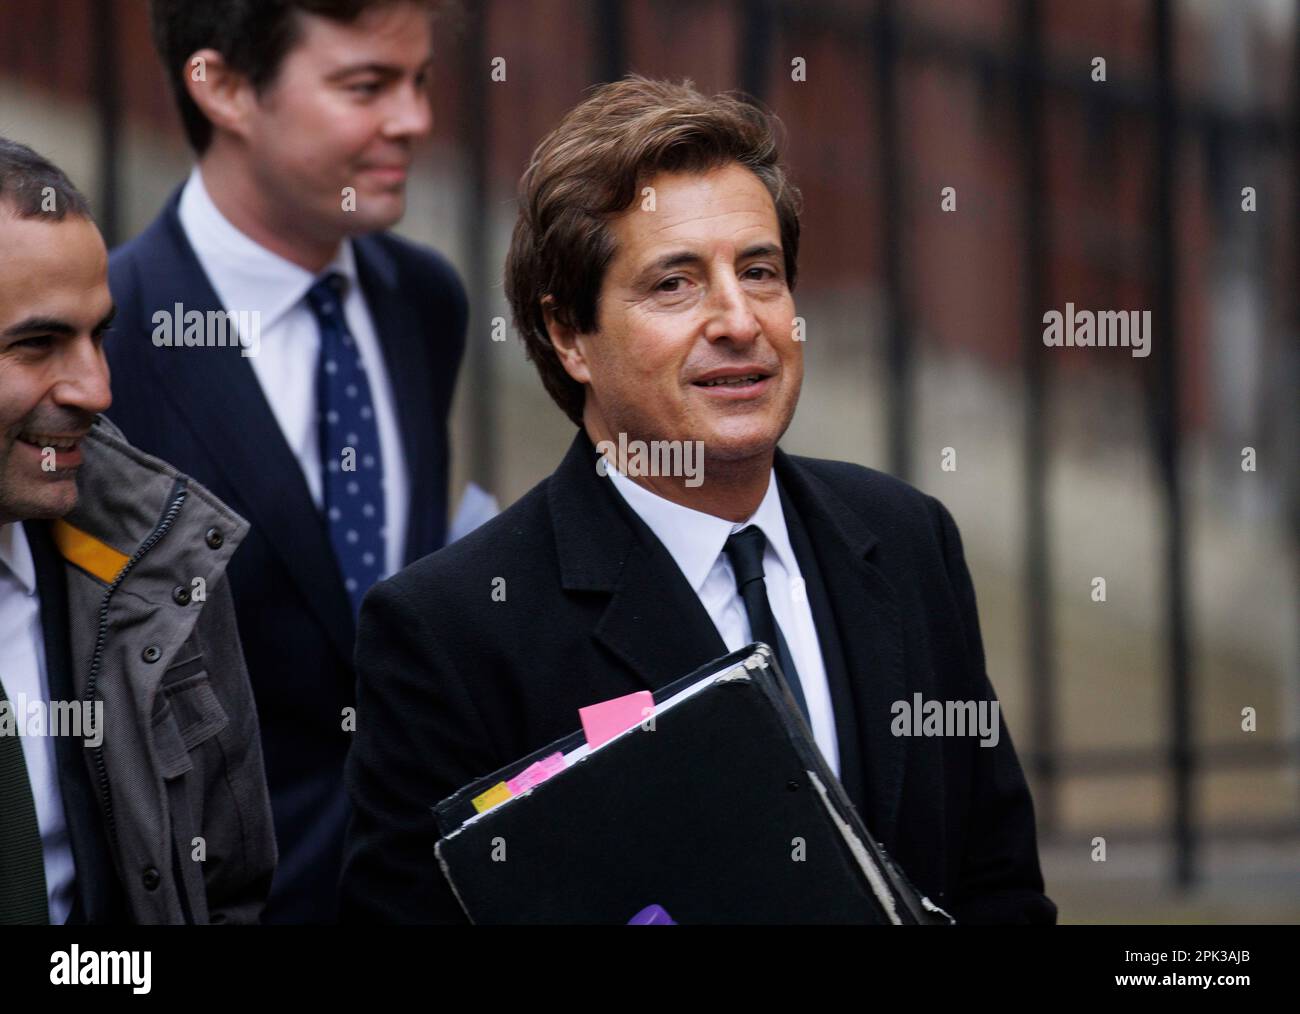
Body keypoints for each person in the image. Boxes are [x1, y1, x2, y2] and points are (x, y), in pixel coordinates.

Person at [341, 76, 1056, 924]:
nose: (738, 320)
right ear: (569, 335)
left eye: (760, 272)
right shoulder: (452, 631)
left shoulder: (906, 540)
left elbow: (999, 888)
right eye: (674, 284)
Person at [105, 0, 467, 922]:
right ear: (223, 86)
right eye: (366, 86)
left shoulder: (425, 301)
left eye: (419, 80)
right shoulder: (103, 342)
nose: (414, 119)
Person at [0, 137, 275, 924]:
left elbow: (229, 896)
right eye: (37, 344)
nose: (97, 387)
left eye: (98, 335)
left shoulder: (157, 565)